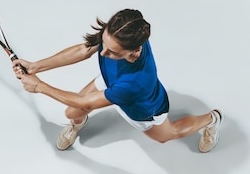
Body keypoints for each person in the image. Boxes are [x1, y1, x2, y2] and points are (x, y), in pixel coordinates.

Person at [12, 9, 222, 153]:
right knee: (71, 112)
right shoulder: (123, 32)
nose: (103, 53)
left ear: (136, 51)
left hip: (142, 107)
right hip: (110, 82)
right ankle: (77, 125)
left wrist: (39, 86)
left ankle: (212, 119)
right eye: (104, 44)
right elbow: (84, 49)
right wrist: (36, 66)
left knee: (167, 135)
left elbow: (86, 102)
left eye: (113, 52)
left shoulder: (134, 83)